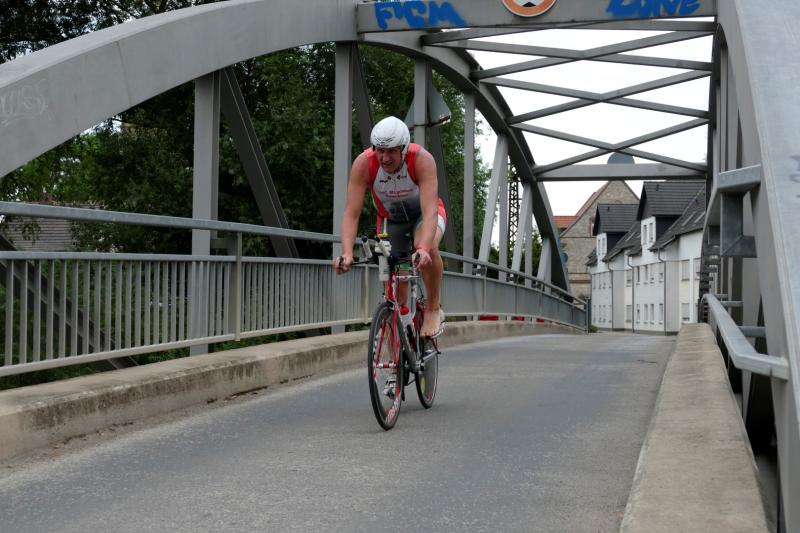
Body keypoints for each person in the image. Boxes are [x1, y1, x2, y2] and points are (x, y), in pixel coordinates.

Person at [334, 116, 446, 338]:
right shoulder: (364, 164)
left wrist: (423, 248)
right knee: (395, 291)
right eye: (380, 150)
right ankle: (397, 343)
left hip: (423, 216)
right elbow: (351, 213)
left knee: (428, 246)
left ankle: (433, 308)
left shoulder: (422, 159)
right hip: (391, 221)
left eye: (392, 151)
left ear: (404, 148)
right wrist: (346, 253)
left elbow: (430, 211)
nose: (385, 158)